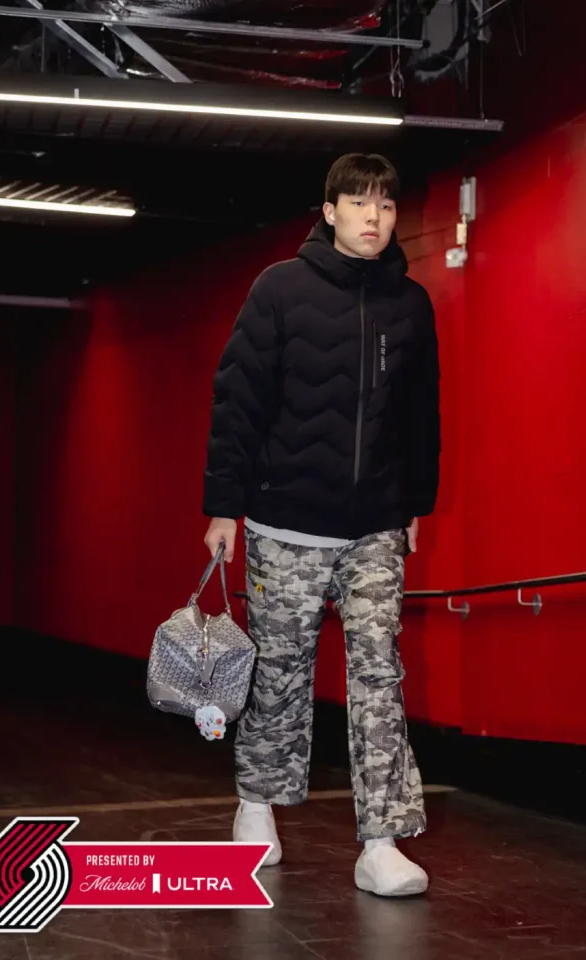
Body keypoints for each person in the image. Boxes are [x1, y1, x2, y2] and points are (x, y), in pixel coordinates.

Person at [202, 152, 441, 897]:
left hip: (374, 525)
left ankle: (381, 843)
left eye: (387, 205)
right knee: (279, 673)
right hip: (285, 522)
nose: (374, 217)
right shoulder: (280, 289)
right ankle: (257, 807)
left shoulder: (411, 305)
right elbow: (238, 400)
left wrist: (415, 504)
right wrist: (223, 505)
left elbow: (421, 414)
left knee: (378, 676)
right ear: (330, 210)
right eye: (359, 202)